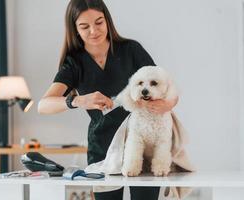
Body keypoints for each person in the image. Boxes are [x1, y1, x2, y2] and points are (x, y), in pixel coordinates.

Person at [38, 0, 178, 199]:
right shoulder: (74, 62)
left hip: (143, 147)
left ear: (107, 21)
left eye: (99, 22)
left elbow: (164, 85)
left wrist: (169, 104)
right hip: (103, 149)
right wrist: (78, 101)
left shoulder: (131, 50)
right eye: (84, 26)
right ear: (74, 29)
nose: (94, 31)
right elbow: (44, 105)